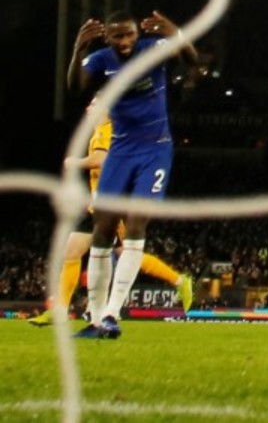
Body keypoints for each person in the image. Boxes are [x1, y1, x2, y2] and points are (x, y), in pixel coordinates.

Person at [65, 9, 197, 339]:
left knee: (136, 224)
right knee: (103, 231)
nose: (124, 42)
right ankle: (96, 320)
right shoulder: (101, 60)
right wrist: (78, 50)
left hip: (155, 150)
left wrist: (175, 33)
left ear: (138, 34)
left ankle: (112, 314)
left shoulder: (152, 49)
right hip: (121, 151)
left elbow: (191, 59)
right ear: (107, 37)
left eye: (129, 35)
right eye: (117, 36)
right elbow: (75, 87)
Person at [28, 104, 194, 326]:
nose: (88, 107)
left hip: (110, 205)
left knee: (124, 253)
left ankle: (179, 280)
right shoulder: (104, 130)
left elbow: (100, 159)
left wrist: (74, 162)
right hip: (98, 205)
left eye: (94, 103)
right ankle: (60, 310)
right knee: (75, 251)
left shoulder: (106, 130)